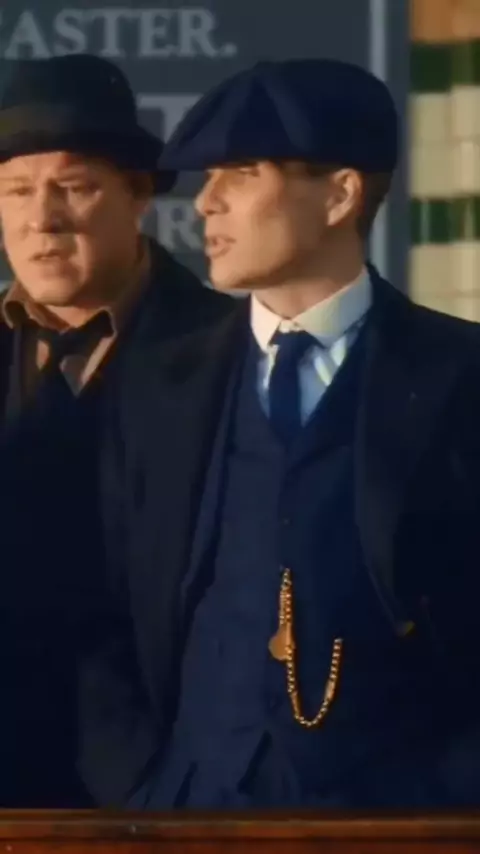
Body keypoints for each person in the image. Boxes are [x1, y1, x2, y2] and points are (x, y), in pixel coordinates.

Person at [104, 59, 480, 808]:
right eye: (208, 178)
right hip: (189, 813)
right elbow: (98, 606)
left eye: (242, 173)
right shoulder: (153, 381)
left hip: (405, 821)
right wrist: (141, 786)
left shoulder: (461, 375)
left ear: (340, 195)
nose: (205, 202)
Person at [0, 53, 233, 807]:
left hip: (169, 798)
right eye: (16, 190)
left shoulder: (235, 353)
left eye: (73, 187)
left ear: (138, 194)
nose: (42, 219)